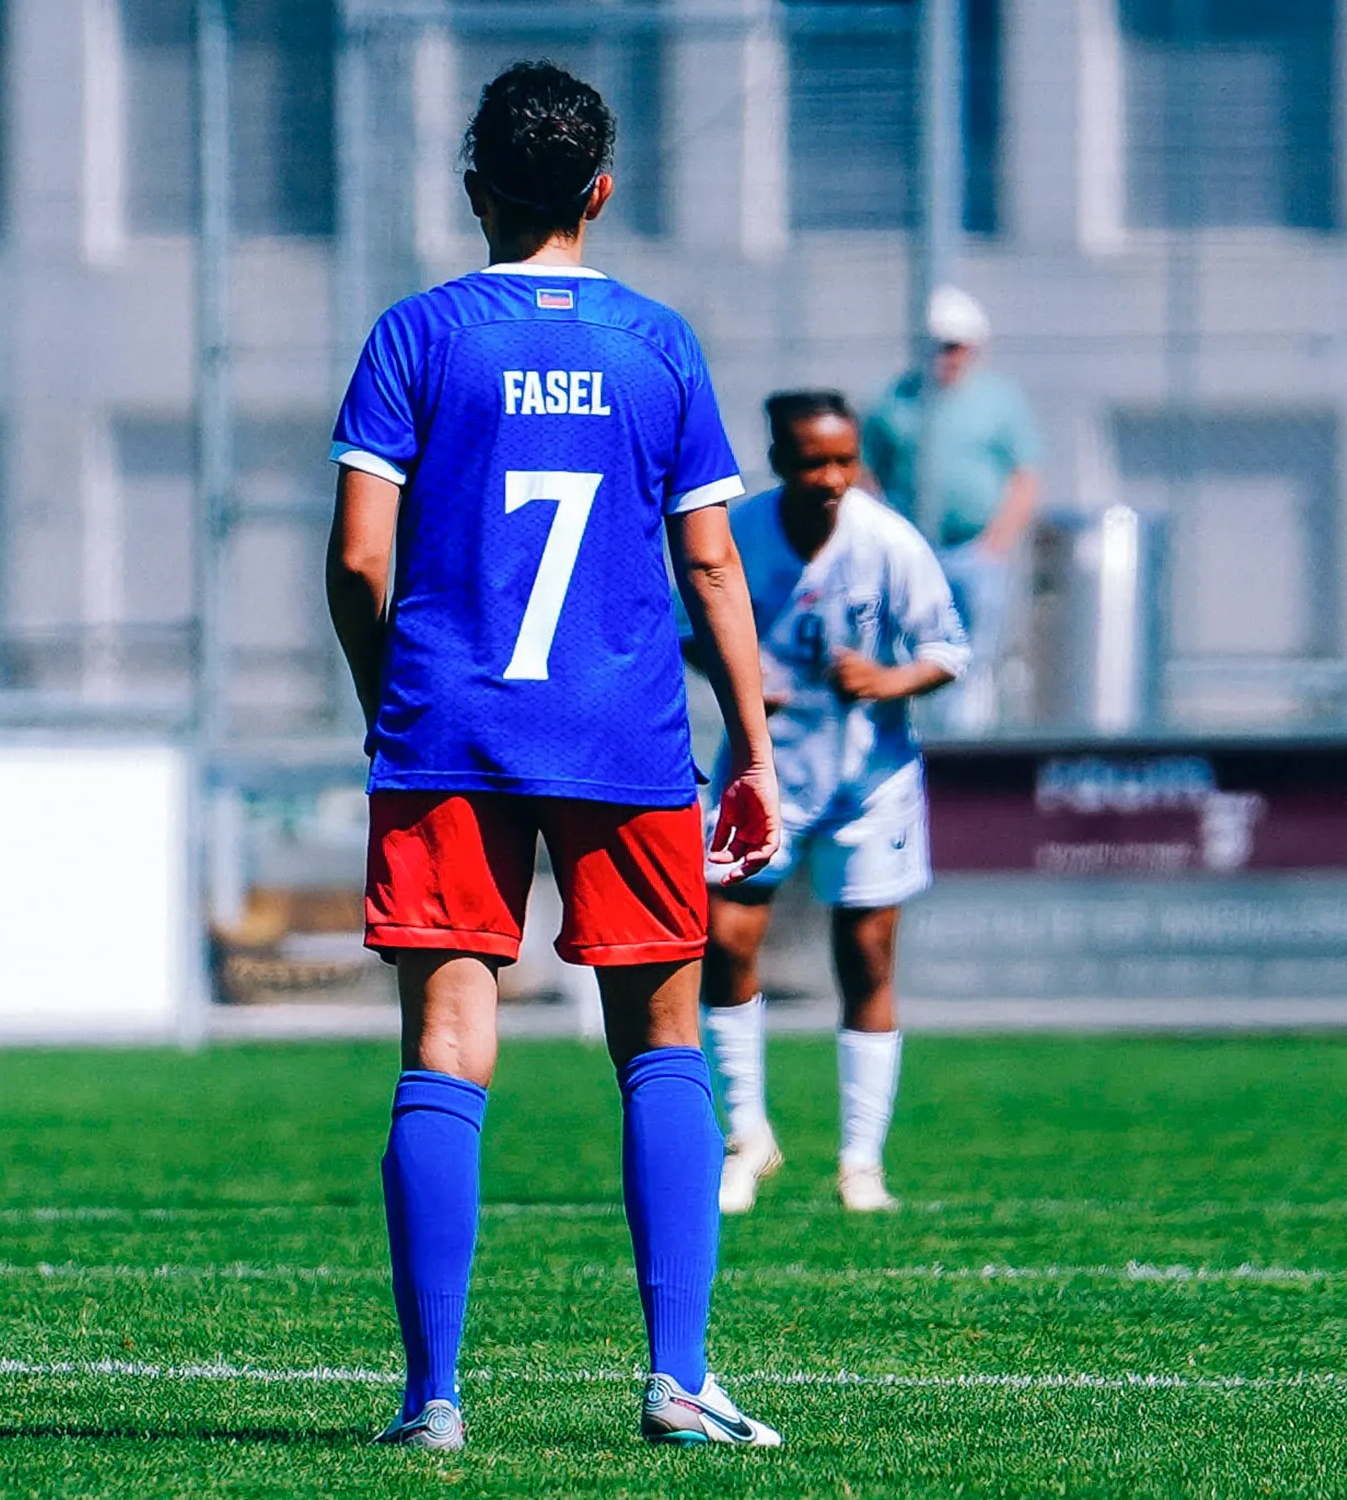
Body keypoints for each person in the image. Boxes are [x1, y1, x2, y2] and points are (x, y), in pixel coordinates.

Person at [325, 61, 784, 1455]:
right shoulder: (658, 345)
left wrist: (391, 701)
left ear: (476, 190)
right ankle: (678, 1379)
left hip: (450, 733)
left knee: (445, 1047)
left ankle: (432, 1401)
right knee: (661, 1039)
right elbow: (712, 564)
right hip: (625, 737)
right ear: (602, 189)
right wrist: (753, 745)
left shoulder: (417, 335)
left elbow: (358, 561)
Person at [695, 391, 969, 1216]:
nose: (831, 478)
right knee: (724, 938)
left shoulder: (888, 541)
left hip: (869, 781)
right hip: (764, 772)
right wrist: (740, 676)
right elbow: (686, 626)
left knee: (867, 957)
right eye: (813, 462)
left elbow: (948, 649)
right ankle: (747, 1137)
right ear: (779, 461)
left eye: (844, 460)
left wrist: (890, 679)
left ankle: (861, 1161)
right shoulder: (736, 533)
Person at [861, 286, 1042, 733]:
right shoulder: (895, 401)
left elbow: (1024, 476)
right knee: (907, 645)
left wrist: (996, 544)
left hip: (974, 552)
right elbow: (865, 471)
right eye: (940, 346)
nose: (948, 356)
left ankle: (964, 740)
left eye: (956, 346)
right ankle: (915, 734)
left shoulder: (998, 401)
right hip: (913, 551)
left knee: (971, 653)